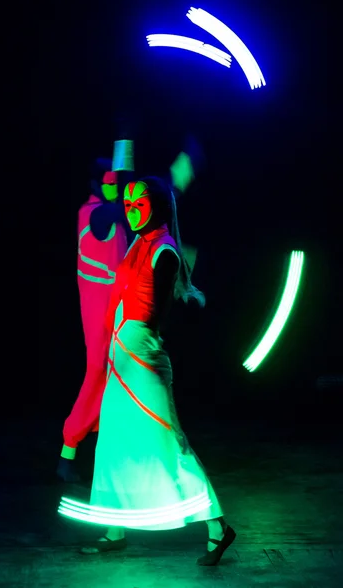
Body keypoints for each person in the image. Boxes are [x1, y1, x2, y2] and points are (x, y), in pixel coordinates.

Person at [80, 176, 236, 565]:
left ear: (159, 208)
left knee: (171, 444)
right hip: (122, 351)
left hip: (143, 356)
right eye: (128, 205)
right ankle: (115, 529)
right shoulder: (140, 242)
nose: (131, 211)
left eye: (139, 205)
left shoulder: (163, 250)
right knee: (113, 442)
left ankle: (218, 528)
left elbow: (155, 313)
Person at [57, 153, 133, 482]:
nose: (117, 190)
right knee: (98, 373)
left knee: (115, 379)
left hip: (119, 310)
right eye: (110, 184)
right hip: (99, 313)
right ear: (95, 185)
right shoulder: (94, 214)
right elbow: (121, 204)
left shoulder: (113, 214)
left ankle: (89, 453)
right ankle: (68, 450)